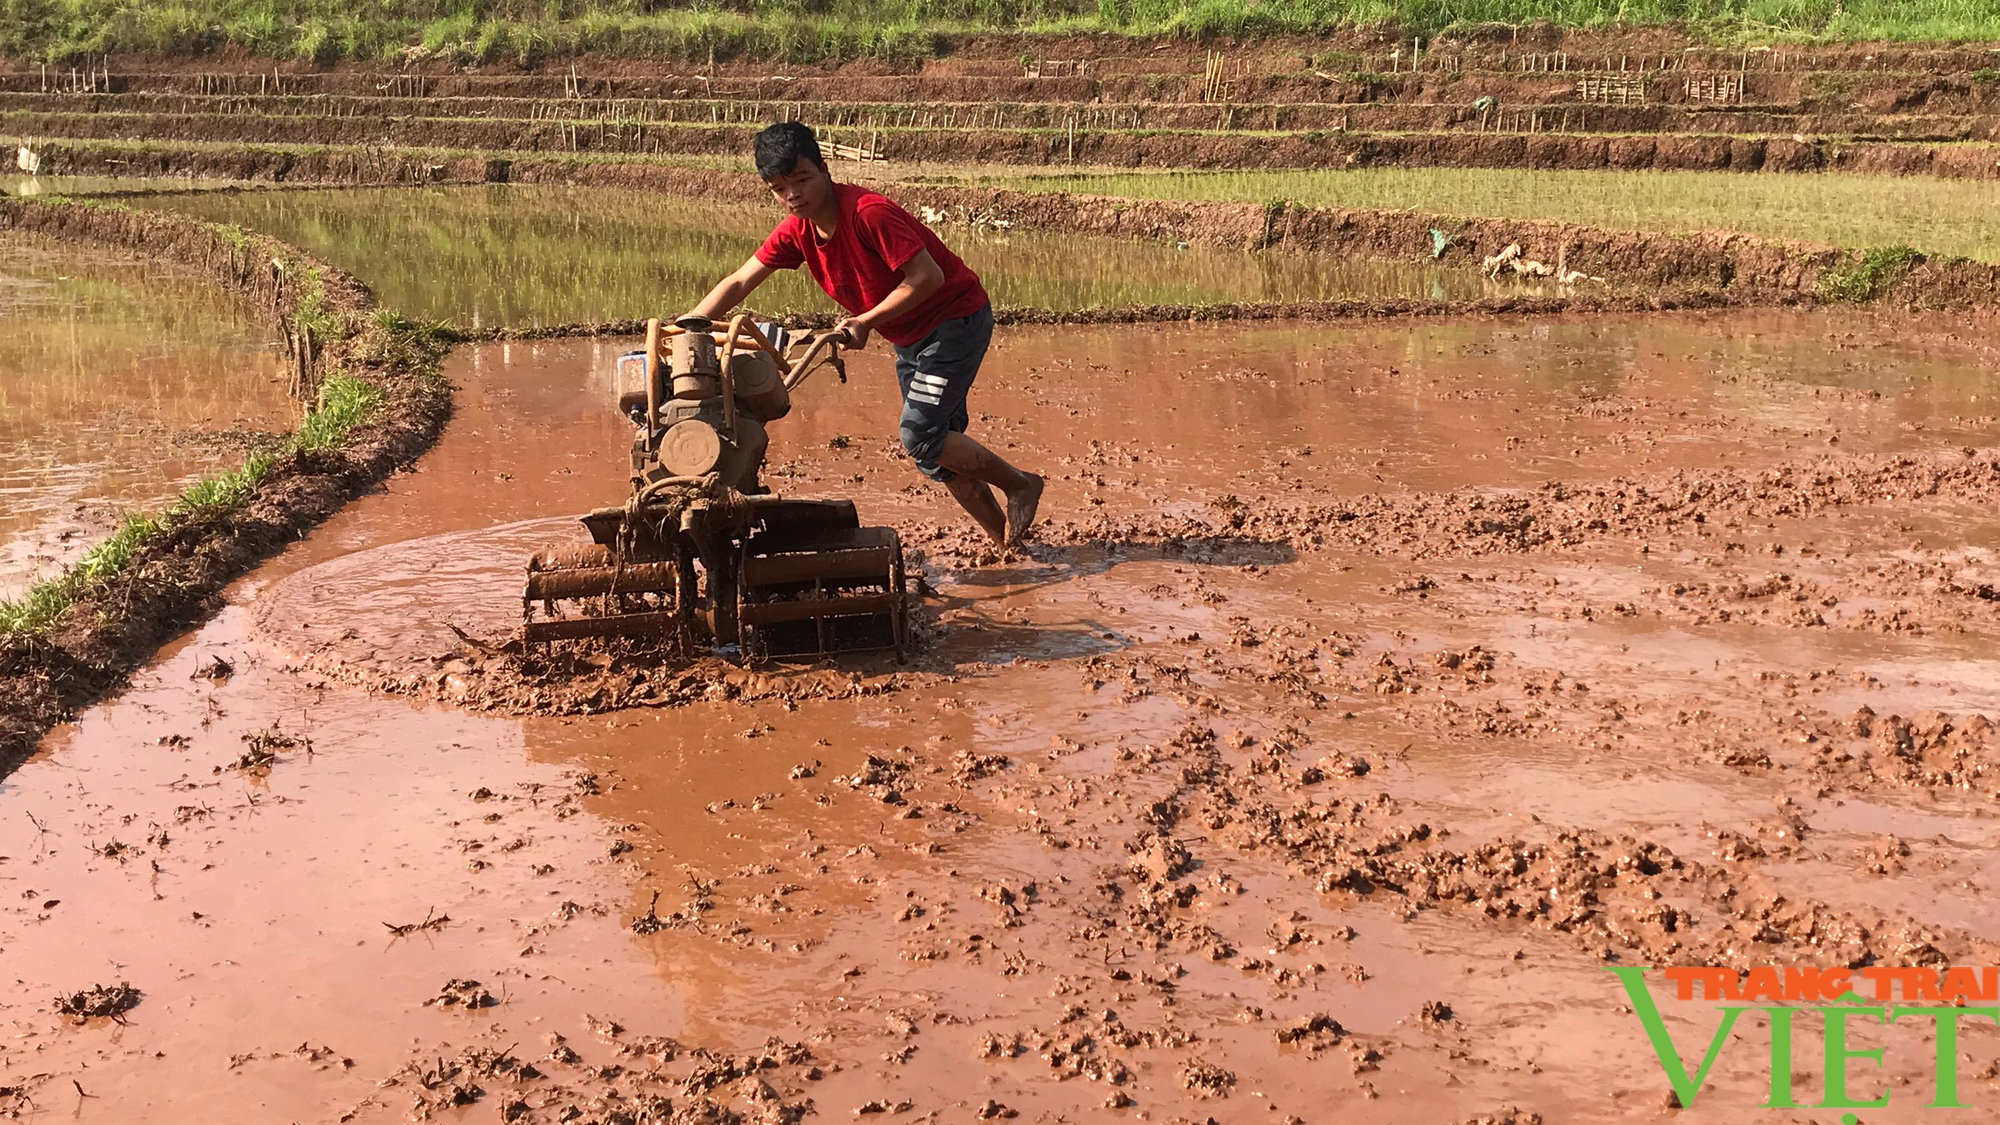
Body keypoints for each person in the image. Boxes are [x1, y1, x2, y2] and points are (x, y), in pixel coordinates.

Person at [686, 122, 1043, 547]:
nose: (793, 195)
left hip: (953, 322)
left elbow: (928, 277)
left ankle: (1021, 484)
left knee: (921, 436)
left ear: (823, 170)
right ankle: (1005, 543)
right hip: (909, 336)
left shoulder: (867, 213)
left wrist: (865, 321)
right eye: (779, 189)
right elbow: (741, 280)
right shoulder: (798, 231)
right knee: (937, 455)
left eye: (801, 180)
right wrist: (688, 326)